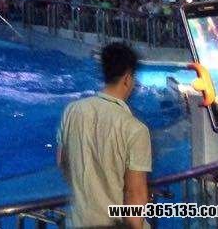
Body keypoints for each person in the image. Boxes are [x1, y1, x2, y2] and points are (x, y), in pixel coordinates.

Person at [57, 43, 151, 228]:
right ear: (127, 78)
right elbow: (135, 195)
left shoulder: (72, 111)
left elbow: (62, 161)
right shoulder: (135, 129)